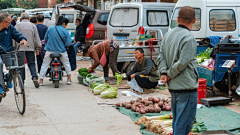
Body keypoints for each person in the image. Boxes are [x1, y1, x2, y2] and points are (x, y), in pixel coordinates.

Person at [157, 6, 198, 135]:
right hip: (186, 87)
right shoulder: (189, 38)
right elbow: (183, 62)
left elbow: (161, 56)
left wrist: (164, 73)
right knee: (183, 124)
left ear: (178, 19)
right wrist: (168, 74)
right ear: (194, 20)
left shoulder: (168, 35)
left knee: (177, 121)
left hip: (174, 87)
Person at [39, 16, 72, 85]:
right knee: (66, 63)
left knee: (45, 64)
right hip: (61, 51)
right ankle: (69, 79)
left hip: (49, 50)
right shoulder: (65, 31)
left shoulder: (50, 28)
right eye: (66, 25)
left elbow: (45, 38)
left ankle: (41, 80)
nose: (65, 26)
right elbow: (68, 43)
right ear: (63, 24)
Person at [0, 13, 28, 96]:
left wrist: (22, 39)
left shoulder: (10, 28)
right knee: (0, 64)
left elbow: (16, 34)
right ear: (3, 22)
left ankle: (8, 78)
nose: (10, 23)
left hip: (8, 51)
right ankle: (0, 86)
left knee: (14, 67)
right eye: (9, 22)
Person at [15, 12, 42, 88]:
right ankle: (34, 77)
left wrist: (14, 48)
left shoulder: (17, 25)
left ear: (21, 18)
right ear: (29, 18)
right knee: (32, 63)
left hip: (20, 48)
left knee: (21, 65)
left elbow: (14, 37)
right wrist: (38, 48)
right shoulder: (33, 26)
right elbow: (36, 38)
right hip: (30, 48)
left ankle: (22, 81)